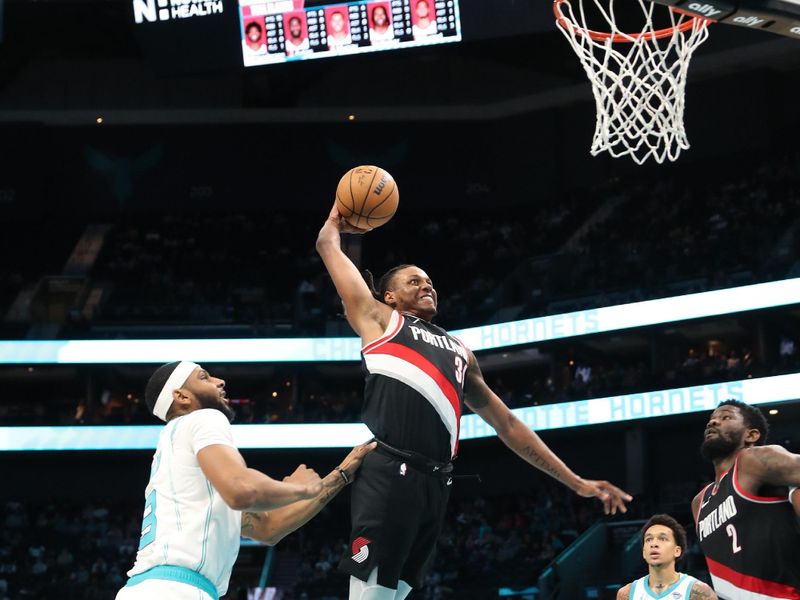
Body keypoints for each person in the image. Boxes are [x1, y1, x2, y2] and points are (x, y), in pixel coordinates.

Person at [316, 205, 632, 600]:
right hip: (390, 470)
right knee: (370, 595)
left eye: (430, 281)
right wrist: (335, 222)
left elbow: (510, 426)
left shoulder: (460, 351)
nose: (427, 285)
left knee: (394, 595)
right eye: (415, 281)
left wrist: (576, 482)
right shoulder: (380, 319)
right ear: (389, 296)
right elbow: (329, 249)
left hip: (436, 483)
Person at [115, 361, 375, 600]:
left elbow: (268, 528)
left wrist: (339, 476)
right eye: (204, 377)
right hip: (175, 591)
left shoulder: (179, 465)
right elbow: (241, 490)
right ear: (182, 397)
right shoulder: (203, 417)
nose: (219, 381)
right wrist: (300, 487)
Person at [692, 400, 800, 599]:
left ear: (751, 435)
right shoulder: (699, 502)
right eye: (711, 420)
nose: (713, 423)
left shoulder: (753, 461)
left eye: (725, 417)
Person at [616, 514, 717, 600]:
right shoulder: (626, 594)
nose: (654, 544)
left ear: (677, 551)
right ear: (644, 553)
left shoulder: (699, 592)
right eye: (649, 539)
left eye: (662, 538)